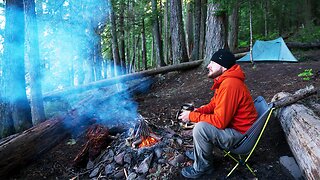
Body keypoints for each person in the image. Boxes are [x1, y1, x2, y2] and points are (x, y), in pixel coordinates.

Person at [178, 49, 258, 178]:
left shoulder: (230, 84)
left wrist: (192, 117)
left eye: (213, 63)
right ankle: (201, 153)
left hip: (241, 136)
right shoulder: (226, 81)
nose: (208, 66)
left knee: (201, 128)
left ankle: (203, 167)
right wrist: (197, 111)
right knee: (202, 119)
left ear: (224, 66)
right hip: (236, 128)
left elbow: (220, 122)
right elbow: (213, 105)